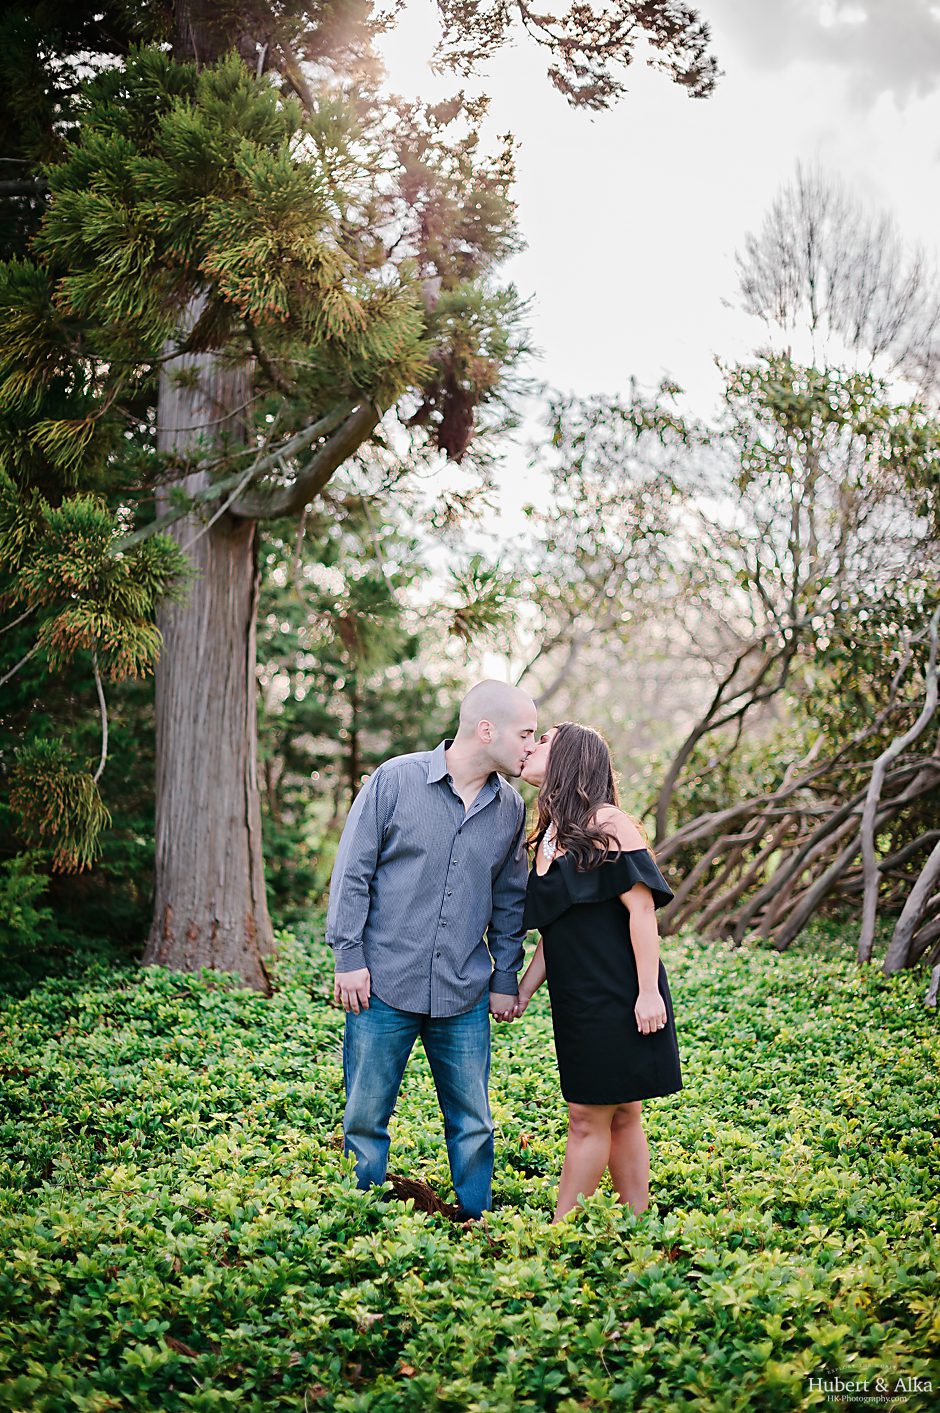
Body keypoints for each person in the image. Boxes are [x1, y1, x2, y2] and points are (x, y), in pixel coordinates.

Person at [326, 680, 537, 1221]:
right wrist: (348, 957)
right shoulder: (396, 781)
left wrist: (504, 978)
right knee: (366, 1117)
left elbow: (510, 903)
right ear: (486, 730)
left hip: (463, 992)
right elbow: (352, 873)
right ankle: (359, 1224)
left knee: (474, 1123)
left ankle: (476, 1224)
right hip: (382, 986)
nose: (531, 747)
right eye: (526, 734)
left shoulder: (510, 808)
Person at [516, 722, 682, 1222]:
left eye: (543, 739)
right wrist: (523, 990)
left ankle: (560, 1236)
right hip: (576, 998)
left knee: (587, 1118)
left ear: (569, 756)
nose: (531, 745)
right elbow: (558, 929)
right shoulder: (549, 835)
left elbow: (642, 911)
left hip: (621, 993)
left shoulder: (607, 821)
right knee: (624, 1111)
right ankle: (637, 1226)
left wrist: (648, 992)